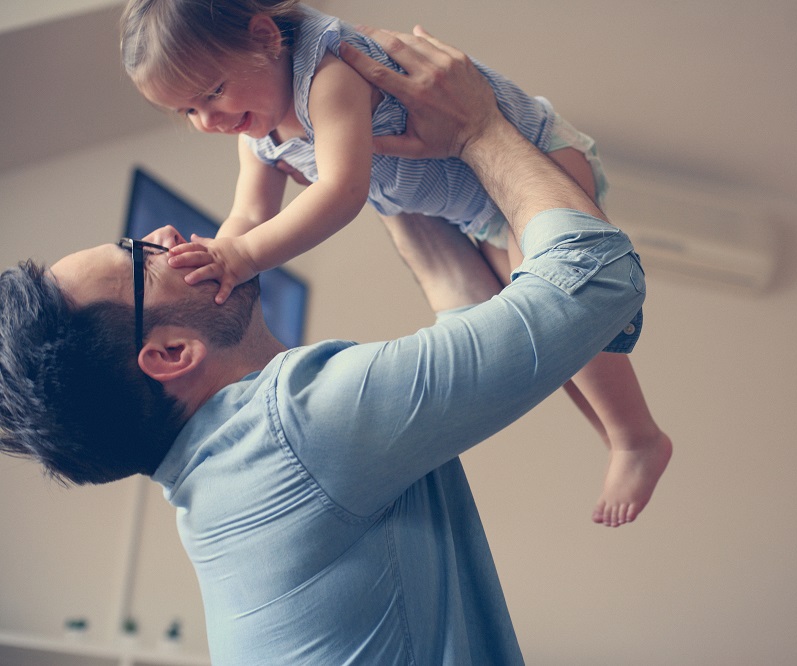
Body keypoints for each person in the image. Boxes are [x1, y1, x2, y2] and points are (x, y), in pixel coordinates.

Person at [0, 26, 666, 663]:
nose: (166, 235)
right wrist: (478, 129)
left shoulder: (223, 485)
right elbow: (596, 278)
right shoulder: (299, 430)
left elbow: (467, 308)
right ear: (172, 354)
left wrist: (376, 171)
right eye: (141, 258)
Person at [120, 0, 671, 527]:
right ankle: (616, 434)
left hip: (537, 156)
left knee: (557, 307)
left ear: (264, 39)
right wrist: (215, 264)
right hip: (482, 211)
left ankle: (636, 437)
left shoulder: (328, 75)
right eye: (187, 110)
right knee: (557, 347)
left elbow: (341, 191)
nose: (207, 120)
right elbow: (247, 214)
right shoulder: (258, 133)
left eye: (212, 92)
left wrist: (239, 256)